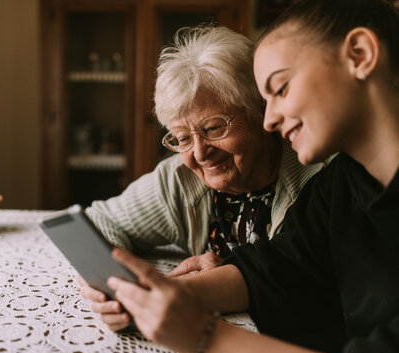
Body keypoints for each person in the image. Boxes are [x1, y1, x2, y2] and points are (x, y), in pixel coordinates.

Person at [105, 0, 399, 353]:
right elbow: (278, 265)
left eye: (281, 88)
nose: (270, 119)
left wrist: (204, 337)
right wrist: (167, 294)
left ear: (360, 54)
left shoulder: (326, 175)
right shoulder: (342, 183)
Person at [79, 26, 329, 331]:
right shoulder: (181, 180)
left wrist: (222, 280)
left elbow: (315, 289)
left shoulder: (319, 180)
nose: (199, 153)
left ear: (259, 111)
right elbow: (99, 223)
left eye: (213, 129)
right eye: (182, 138)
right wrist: (109, 283)